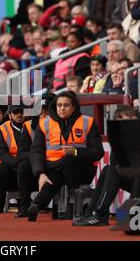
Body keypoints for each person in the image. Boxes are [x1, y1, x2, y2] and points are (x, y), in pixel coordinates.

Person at [73, 105, 140, 226]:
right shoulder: (122, 137)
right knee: (109, 169)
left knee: (114, 171)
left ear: (134, 119)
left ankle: (100, 215)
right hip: (139, 179)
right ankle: (91, 212)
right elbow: (116, 163)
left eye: (127, 122)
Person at [27, 91, 103, 222]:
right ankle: (36, 206)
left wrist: (76, 152)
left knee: (68, 160)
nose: (62, 108)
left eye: (66, 105)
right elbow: (36, 151)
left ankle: (41, 203)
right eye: (59, 105)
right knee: (52, 177)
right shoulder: (44, 123)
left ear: (74, 107)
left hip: (82, 169)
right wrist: (40, 173)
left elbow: (98, 152)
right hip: (55, 168)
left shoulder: (88, 122)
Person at [15, 93, 56, 218]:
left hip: (55, 165)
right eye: (40, 113)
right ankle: (24, 205)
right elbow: (21, 154)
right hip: (35, 168)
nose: (43, 117)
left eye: (47, 113)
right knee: (23, 165)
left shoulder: (61, 126)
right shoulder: (28, 126)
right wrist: (38, 159)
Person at [0, 104, 26, 214]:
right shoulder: (1, 130)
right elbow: (1, 153)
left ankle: (25, 206)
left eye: (21, 112)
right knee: (1, 168)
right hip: (7, 171)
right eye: (15, 112)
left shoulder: (31, 127)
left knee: (26, 167)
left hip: (25, 169)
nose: (19, 115)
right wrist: (17, 164)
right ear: (9, 115)